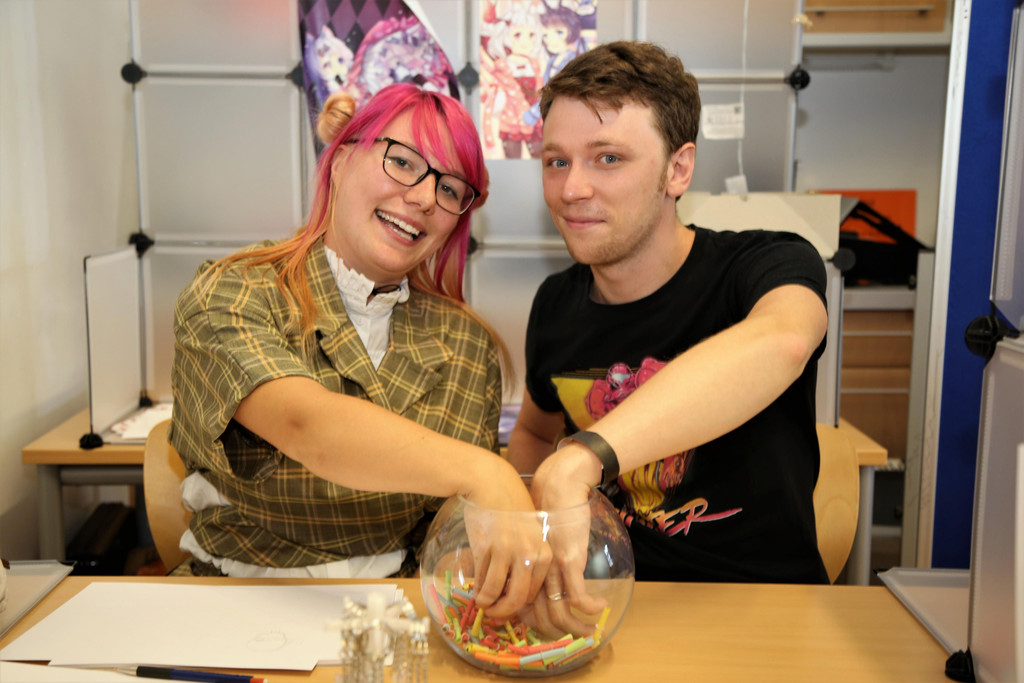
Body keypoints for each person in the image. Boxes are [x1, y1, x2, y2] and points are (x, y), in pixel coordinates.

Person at [170, 83, 547, 617]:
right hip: (233, 605)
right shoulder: (233, 292)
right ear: (342, 161)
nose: (424, 198)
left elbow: (452, 531)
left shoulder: (467, 344)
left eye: (449, 188)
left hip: (402, 614)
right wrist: (487, 472)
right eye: (403, 161)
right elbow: (307, 425)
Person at [508, 41, 831, 612]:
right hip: (606, 605)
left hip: (763, 612)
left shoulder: (763, 265)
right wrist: (524, 529)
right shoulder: (556, 302)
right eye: (556, 161)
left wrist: (585, 457)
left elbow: (785, 340)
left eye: (608, 158)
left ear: (677, 169)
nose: (572, 189)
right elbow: (534, 433)